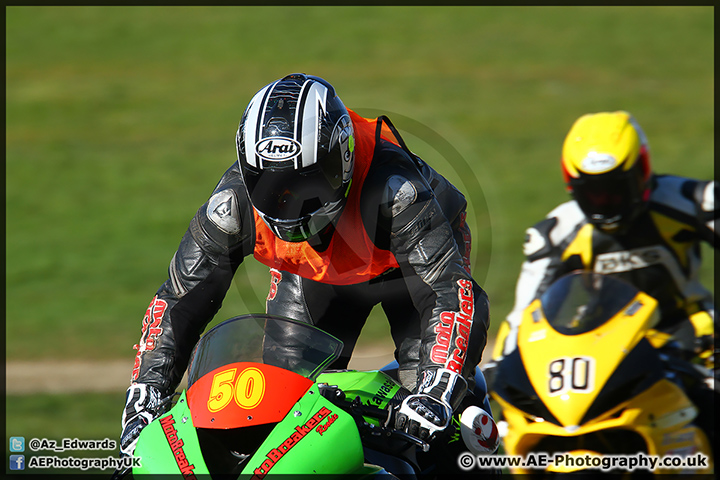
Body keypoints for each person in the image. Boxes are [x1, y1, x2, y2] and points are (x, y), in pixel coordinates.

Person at [120, 73, 491, 465]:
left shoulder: (397, 192)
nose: (288, 203)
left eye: (308, 181)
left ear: (343, 156)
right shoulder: (231, 206)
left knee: (430, 417)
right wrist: (145, 393)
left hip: (406, 271)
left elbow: (448, 294)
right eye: (269, 185)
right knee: (280, 413)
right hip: (314, 273)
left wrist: (436, 391)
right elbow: (179, 298)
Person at [492, 110, 716, 446]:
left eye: (616, 189)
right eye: (593, 193)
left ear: (641, 170)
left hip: (694, 335)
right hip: (608, 350)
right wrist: (503, 374)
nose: (606, 202)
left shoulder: (691, 201)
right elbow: (523, 314)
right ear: (571, 185)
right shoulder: (556, 233)